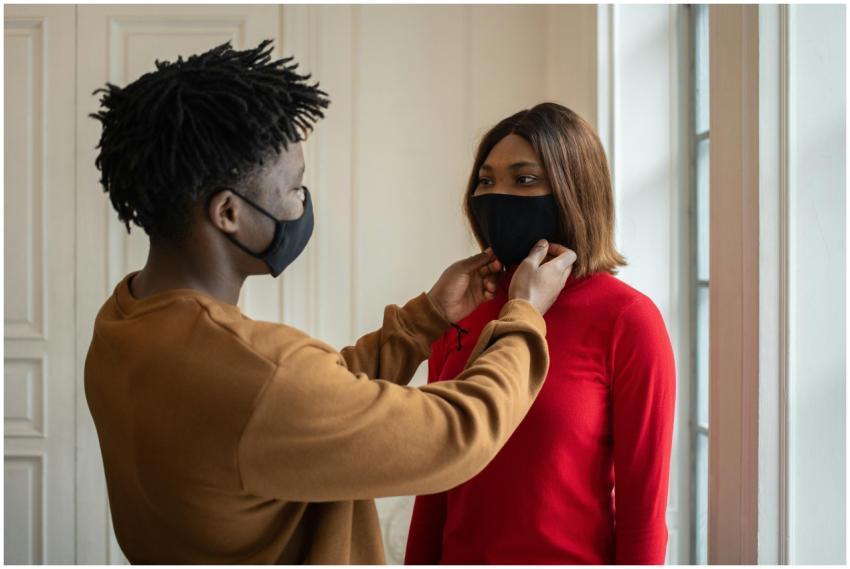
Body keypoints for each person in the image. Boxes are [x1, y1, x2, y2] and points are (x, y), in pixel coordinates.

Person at [83, 41, 578, 564]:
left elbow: (310, 405)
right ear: (228, 212)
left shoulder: (122, 321)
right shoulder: (259, 375)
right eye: (295, 187)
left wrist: (424, 319)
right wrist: (522, 314)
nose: (303, 202)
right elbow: (457, 433)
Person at [405, 103, 676, 565]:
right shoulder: (464, 308)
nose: (498, 195)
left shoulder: (628, 321)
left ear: (574, 190)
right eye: (486, 181)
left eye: (524, 179)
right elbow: (435, 487)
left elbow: (643, 517)